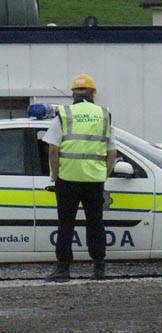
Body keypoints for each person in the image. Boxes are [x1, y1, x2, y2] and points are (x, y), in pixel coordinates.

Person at [43, 73, 117, 282]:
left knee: (66, 224)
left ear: (73, 94)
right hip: (94, 180)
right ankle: (99, 268)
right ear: (94, 93)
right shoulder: (104, 115)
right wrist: (104, 175)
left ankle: (63, 269)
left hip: (67, 180)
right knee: (96, 223)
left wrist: (56, 176)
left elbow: (53, 149)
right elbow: (112, 153)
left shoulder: (65, 114)